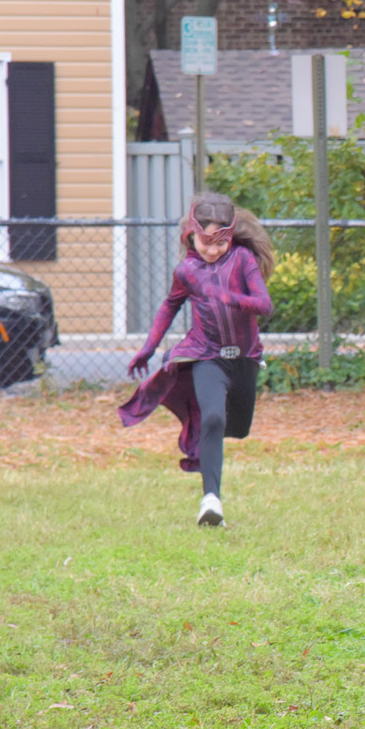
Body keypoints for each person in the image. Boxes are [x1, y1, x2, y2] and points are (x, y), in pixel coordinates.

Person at [118, 192, 276, 526]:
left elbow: (264, 305)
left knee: (238, 427)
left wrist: (230, 297)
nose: (213, 249)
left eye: (221, 243)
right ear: (191, 234)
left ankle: (211, 457)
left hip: (245, 357)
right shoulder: (187, 271)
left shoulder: (243, 260)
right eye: (206, 242)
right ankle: (211, 500)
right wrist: (148, 347)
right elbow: (170, 306)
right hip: (207, 355)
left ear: (231, 236)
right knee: (213, 418)